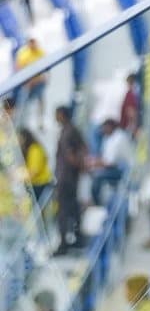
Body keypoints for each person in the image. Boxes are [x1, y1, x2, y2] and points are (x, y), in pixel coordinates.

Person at [53, 104, 87, 255]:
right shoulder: (70, 130)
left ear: (62, 115)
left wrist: (77, 164)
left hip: (66, 177)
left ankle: (64, 243)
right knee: (72, 208)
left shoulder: (69, 132)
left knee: (63, 210)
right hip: (67, 176)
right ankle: (77, 237)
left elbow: (77, 151)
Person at [87, 118, 133, 206]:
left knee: (97, 176)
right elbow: (105, 158)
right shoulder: (109, 138)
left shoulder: (119, 137)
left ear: (109, 126)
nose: (102, 130)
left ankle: (97, 204)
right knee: (92, 173)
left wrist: (94, 163)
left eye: (104, 128)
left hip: (123, 170)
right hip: (115, 168)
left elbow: (110, 162)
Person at [13, 37, 48, 127]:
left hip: (38, 82)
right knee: (23, 103)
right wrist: (27, 81)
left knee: (41, 100)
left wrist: (39, 79)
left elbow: (45, 69)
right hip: (27, 83)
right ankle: (20, 124)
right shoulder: (22, 53)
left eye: (34, 41)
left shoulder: (40, 52)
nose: (33, 44)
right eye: (31, 42)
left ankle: (41, 120)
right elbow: (17, 69)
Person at [17, 127, 52, 205]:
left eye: (19, 139)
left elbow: (34, 171)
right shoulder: (29, 150)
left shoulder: (35, 149)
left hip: (40, 184)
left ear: (25, 138)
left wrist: (19, 176)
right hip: (34, 185)